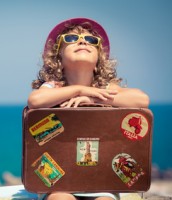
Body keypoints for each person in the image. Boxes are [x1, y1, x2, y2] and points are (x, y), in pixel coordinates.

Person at [27, 18, 149, 200]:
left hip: (102, 182)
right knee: (60, 198)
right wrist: (79, 90)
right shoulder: (54, 87)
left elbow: (141, 99)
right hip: (57, 183)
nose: (82, 41)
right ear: (58, 55)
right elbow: (35, 100)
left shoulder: (106, 88)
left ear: (99, 58)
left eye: (91, 40)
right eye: (71, 39)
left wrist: (93, 97)